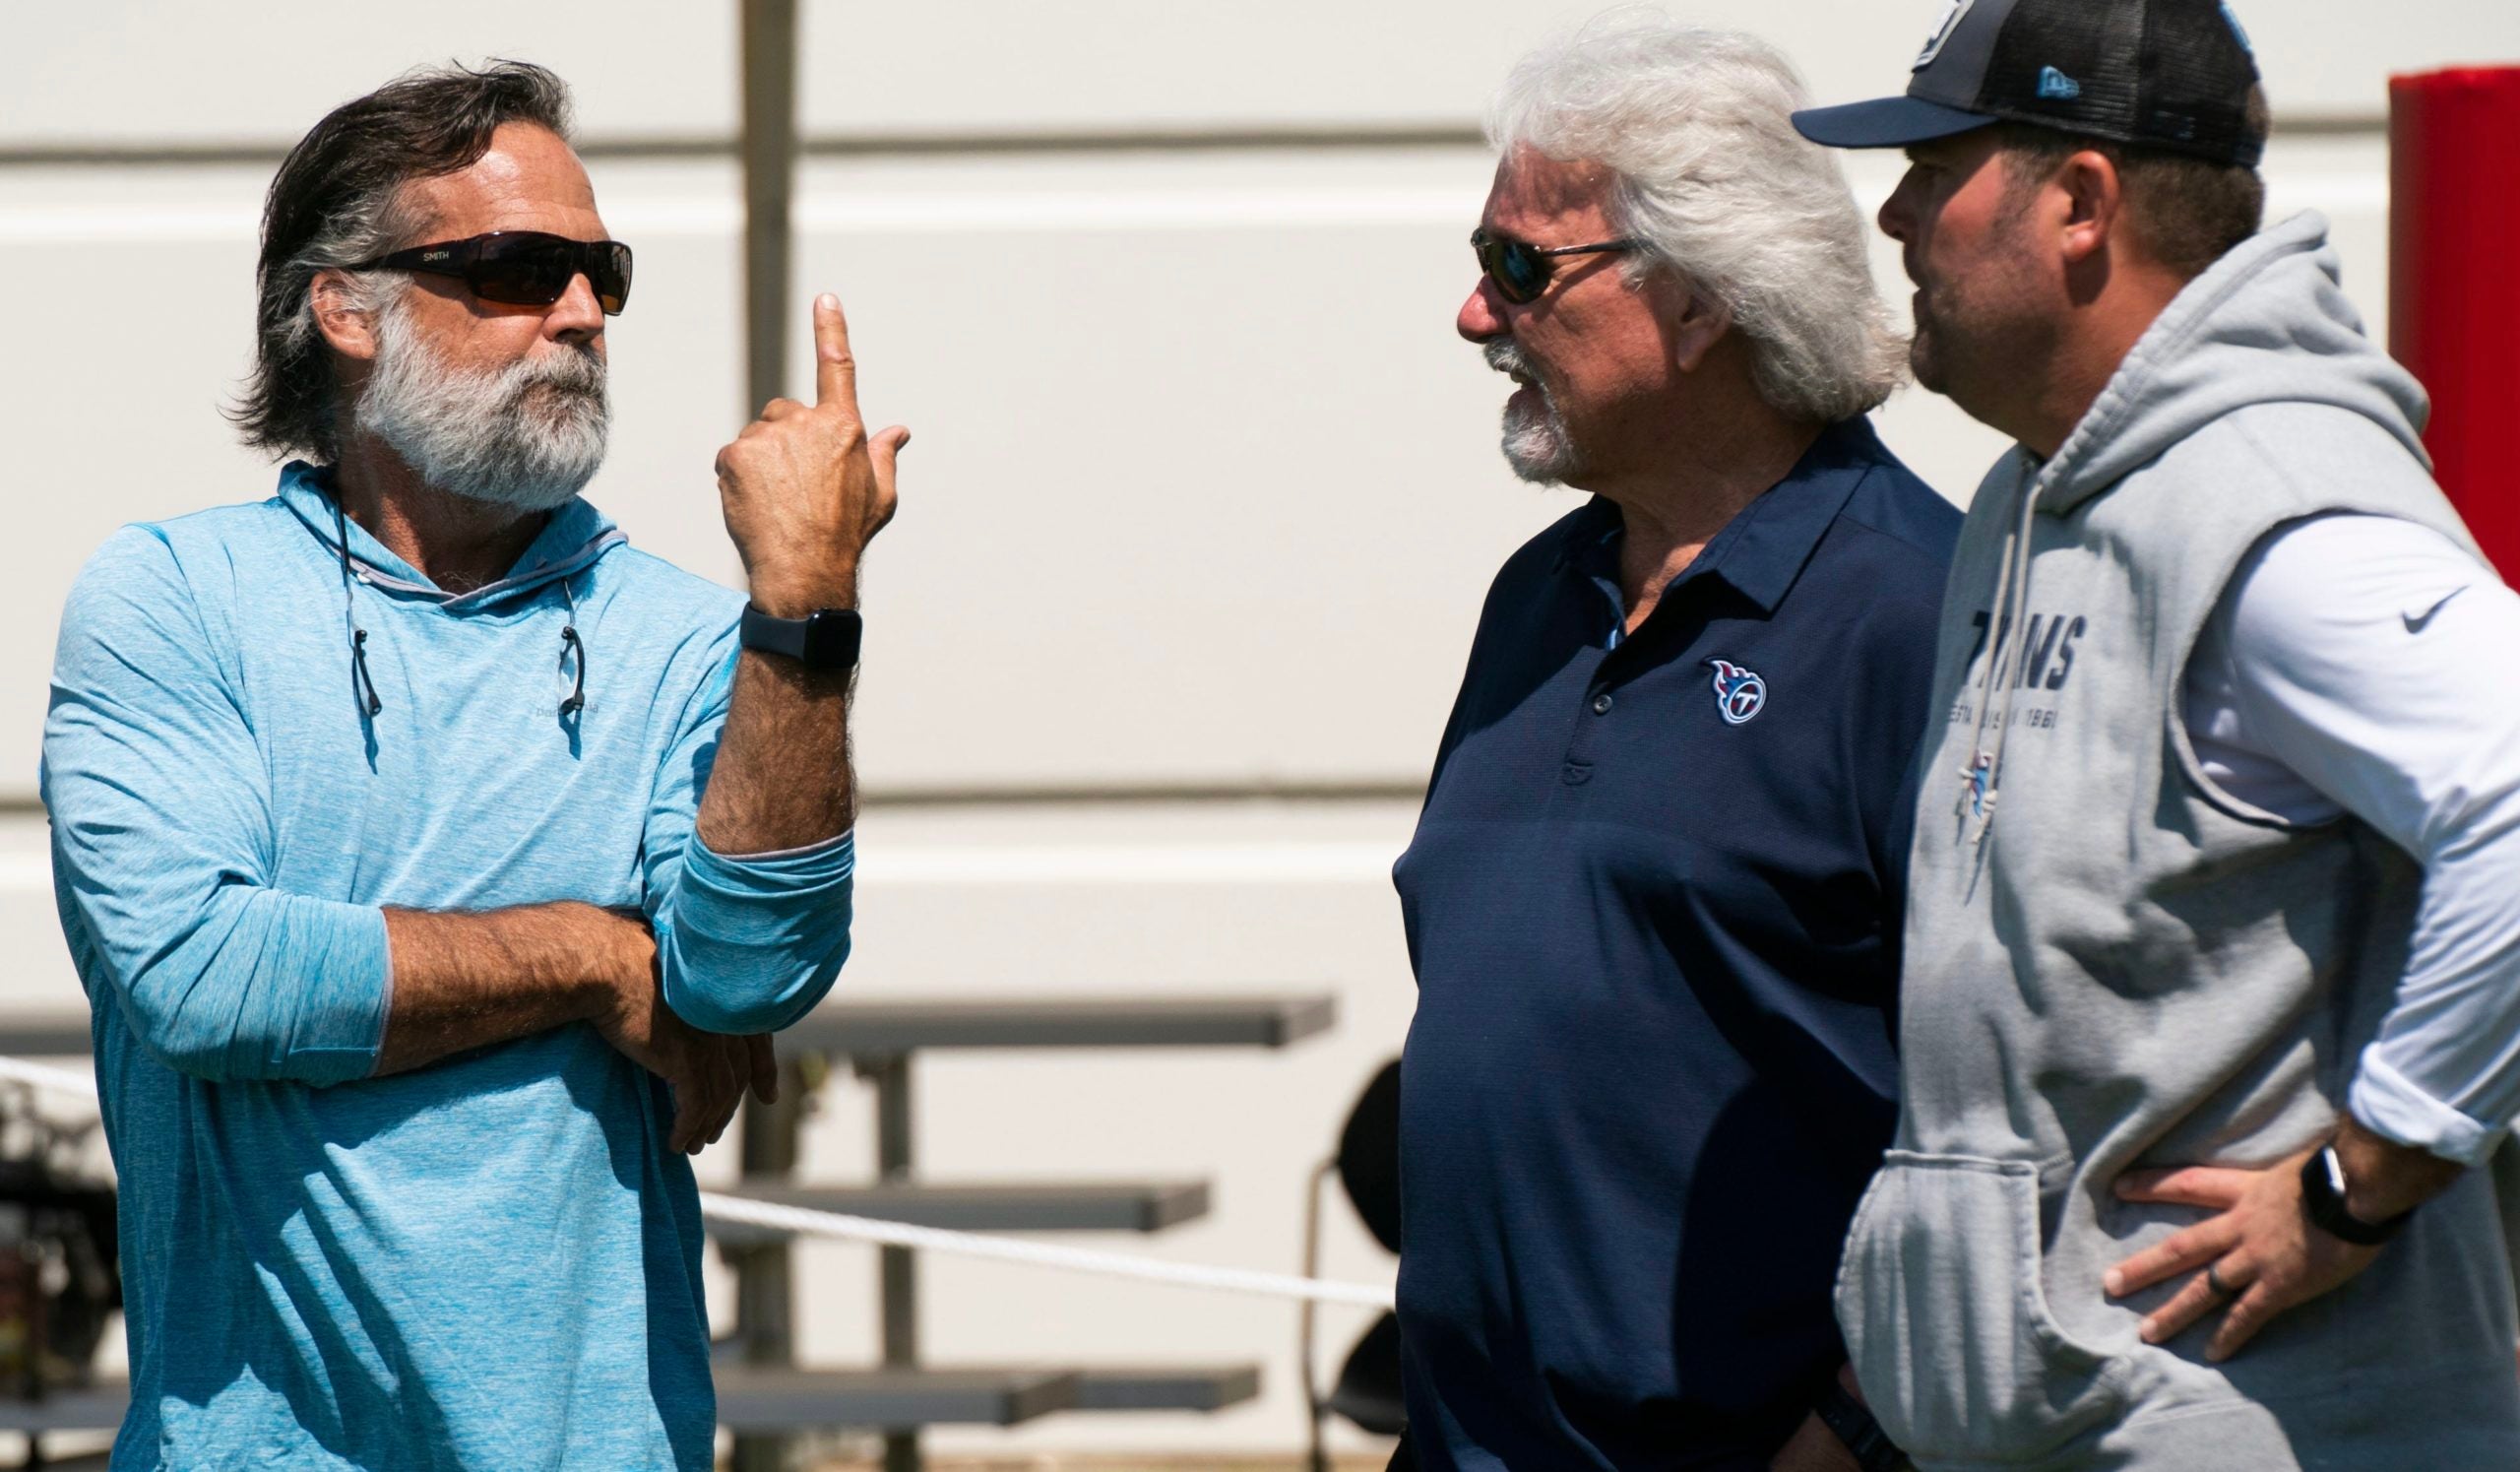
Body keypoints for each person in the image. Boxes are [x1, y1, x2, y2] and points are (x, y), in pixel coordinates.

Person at [41, 61, 904, 1468]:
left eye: (599, 273)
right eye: (513, 268)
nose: (577, 315)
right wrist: (585, 955)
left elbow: (751, 981)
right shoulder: (174, 599)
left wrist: (805, 608)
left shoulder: (700, 638)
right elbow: (200, 977)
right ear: (346, 308)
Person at [1793, 0, 2520, 1464]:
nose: (1897, 213)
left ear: (2078, 204)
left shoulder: (2271, 494)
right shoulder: (2035, 494)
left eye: (1941, 167)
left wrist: (2361, 1183)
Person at [1390, 12, 1959, 1469]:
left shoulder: (1917, 615)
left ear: (1702, 304)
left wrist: (1846, 1438)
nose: (1473, 314)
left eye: (1521, 266)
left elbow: (2026, 1118)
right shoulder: (1543, 594)